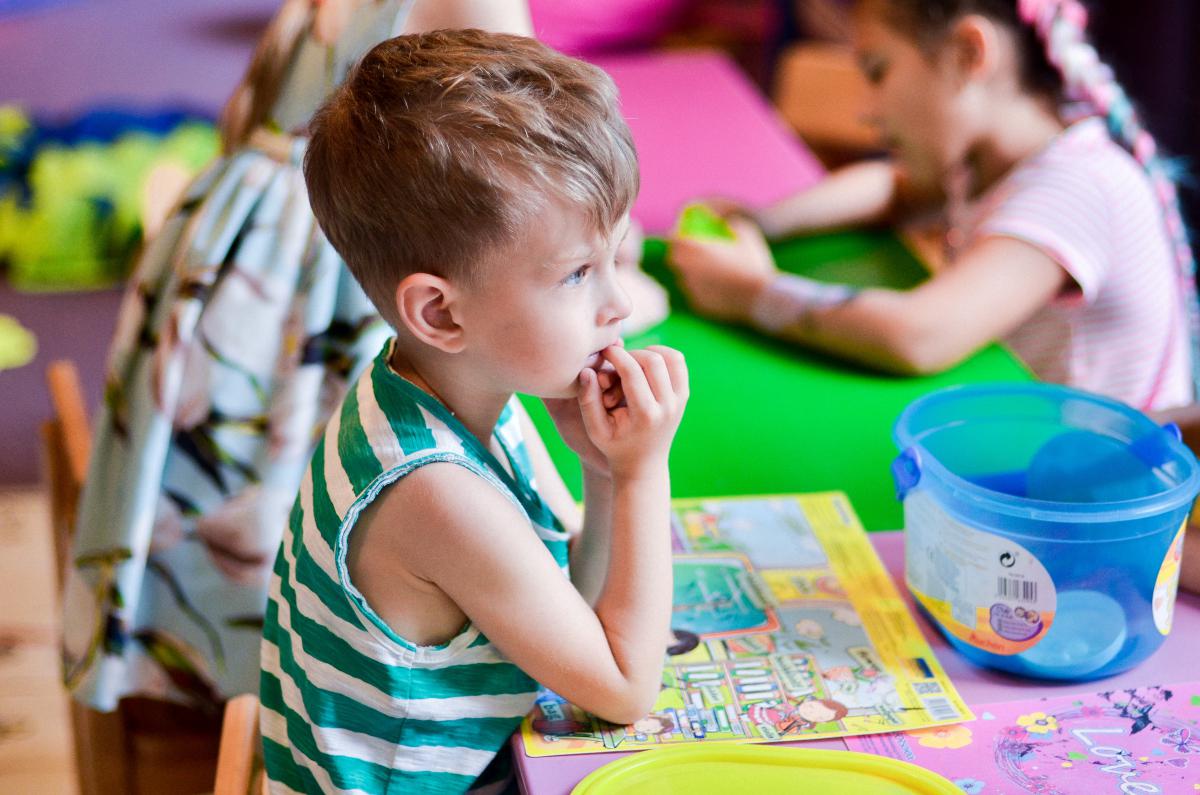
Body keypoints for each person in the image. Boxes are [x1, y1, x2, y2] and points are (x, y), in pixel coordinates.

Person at [61, 0, 535, 714]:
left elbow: (244, 117)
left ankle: (232, 680)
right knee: (357, 482)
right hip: (334, 271)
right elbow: (527, 184)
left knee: (259, 489)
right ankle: (287, 694)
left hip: (235, 260)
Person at [259, 29, 689, 793]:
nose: (619, 304)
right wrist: (642, 471)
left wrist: (601, 473)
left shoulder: (457, 386)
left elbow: (575, 607)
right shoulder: (432, 490)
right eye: (577, 274)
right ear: (440, 313)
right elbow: (625, 688)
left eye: (614, 258)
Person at [668, 0, 1197, 412]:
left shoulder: (1078, 185)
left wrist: (751, 292)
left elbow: (922, 334)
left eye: (877, 71)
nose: (866, 109)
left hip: (1086, 494)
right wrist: (763, 221)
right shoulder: (988, 160)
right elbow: (890, 187)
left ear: (968, 54)